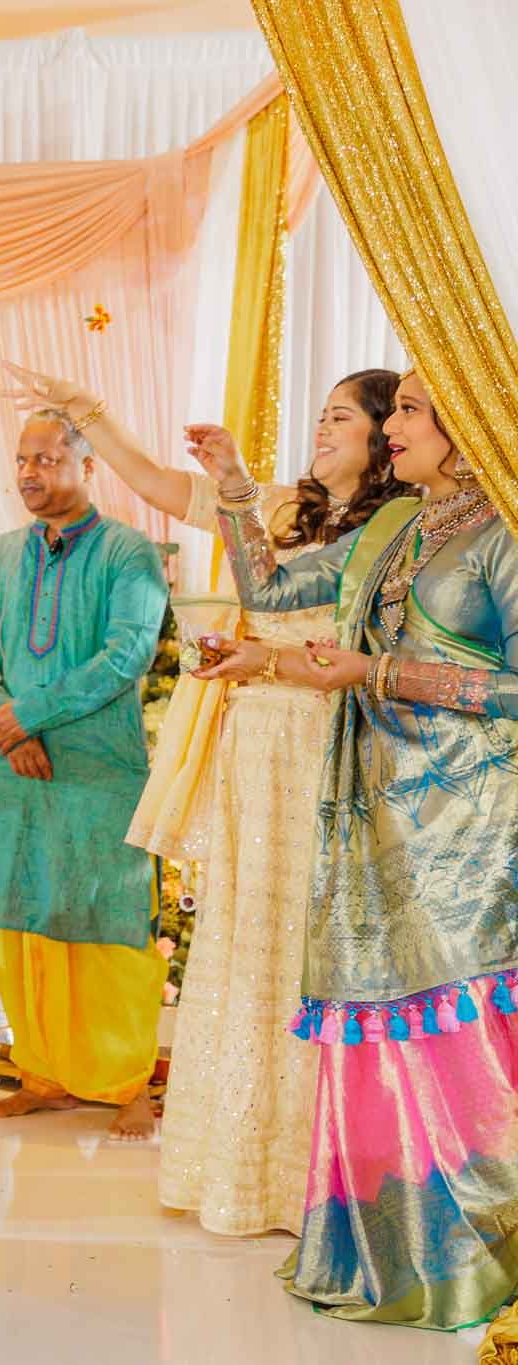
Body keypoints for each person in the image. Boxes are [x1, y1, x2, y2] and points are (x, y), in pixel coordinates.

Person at [7, 364, 409, 1233]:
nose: (321, 427)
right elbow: (156, 483)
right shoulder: (284, 505)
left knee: (305, 944)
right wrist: (94, 414)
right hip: (250, 739)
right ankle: (233, 1167)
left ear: (382, 439)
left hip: (325, 741)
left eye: (341, 416)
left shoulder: (386, 529)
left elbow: (273, 594)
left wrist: (232, 491)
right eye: (322, 411)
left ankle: (313, 1171)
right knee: (242, 938)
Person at [202, 369, 518, 1329]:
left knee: (464, 1026)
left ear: (466, 424)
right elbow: (266, 585)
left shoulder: (503, 533)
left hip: (471, 827)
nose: (394, 428)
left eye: (413, 411)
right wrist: (231, 487)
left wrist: (380, 669)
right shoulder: (387, 530)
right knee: (384, 1025)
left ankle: (487, 1254)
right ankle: (404, 1251)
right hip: (376, 817)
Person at [0, 408, 169, 1140]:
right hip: (10, 767)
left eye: (44, 459)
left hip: (98, 766)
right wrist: (9, 727)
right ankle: (43, 1071)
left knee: (109, 919)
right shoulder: (0, 555)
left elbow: (126, 653)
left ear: (86, 466)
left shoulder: (127, 553)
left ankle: (127, 1080)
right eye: (21, 460)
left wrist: (29, 713)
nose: (28, 474)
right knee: (13, 917)